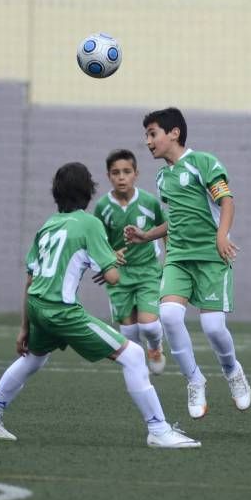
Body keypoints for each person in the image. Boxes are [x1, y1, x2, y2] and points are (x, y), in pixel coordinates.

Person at [0, 162, 198, 448]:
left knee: (34, 358)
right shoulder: (90, 224)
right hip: (61, 311)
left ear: (57, 193)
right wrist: (111, 260)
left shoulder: (48, 225)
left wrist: (23, 328)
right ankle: (158, 430)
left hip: (38, 306)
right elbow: (113, 277)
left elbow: (30, 279)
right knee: (135, 356)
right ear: (88, 192)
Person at [125, 107, 251, 419]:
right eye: (146, 136)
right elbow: (173, 220)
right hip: (178, 258)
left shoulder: (202, 162)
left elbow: (227, 201)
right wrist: (146, 235)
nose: (148, 142)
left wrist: (222, 236)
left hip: (211, 257)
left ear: (174, 133)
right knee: (168, 316)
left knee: (213, 327)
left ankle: (232, 370)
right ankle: (194, 379)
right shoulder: (162, 177)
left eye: (152, 134)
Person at [93, 149, 166, 375]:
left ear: (136, 173)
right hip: (119, 276)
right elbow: (97, 241)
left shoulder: (149, 202)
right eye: (116, 173)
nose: (121, 177)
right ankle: (139, 373)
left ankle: (155, 348)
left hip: (147, 270)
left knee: (150, 325)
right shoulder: (102, 207)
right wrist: (108, 258)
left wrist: (171, 257)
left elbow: (166, 229)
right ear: (108, 176)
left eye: (126, 171)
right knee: (129, 331)